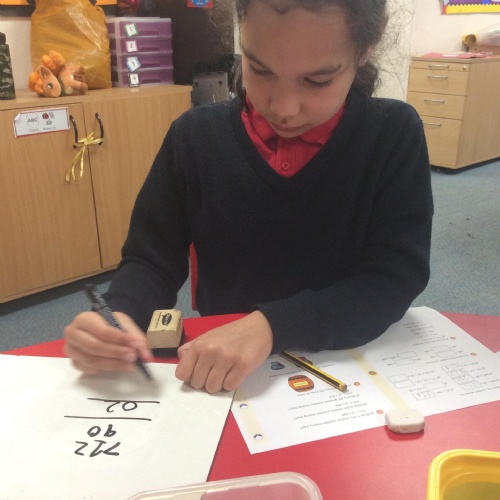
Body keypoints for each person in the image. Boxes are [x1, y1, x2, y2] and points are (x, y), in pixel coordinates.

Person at [64, 0, 433, 394]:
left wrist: (271, 326)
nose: (284, 108)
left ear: (368, 45)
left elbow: (393, 279)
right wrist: (120, 314)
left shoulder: (392, 134)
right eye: (260, 69)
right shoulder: (195, 137)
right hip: (226, 379)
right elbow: (150, 259)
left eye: (318, 81)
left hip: (348, 368)